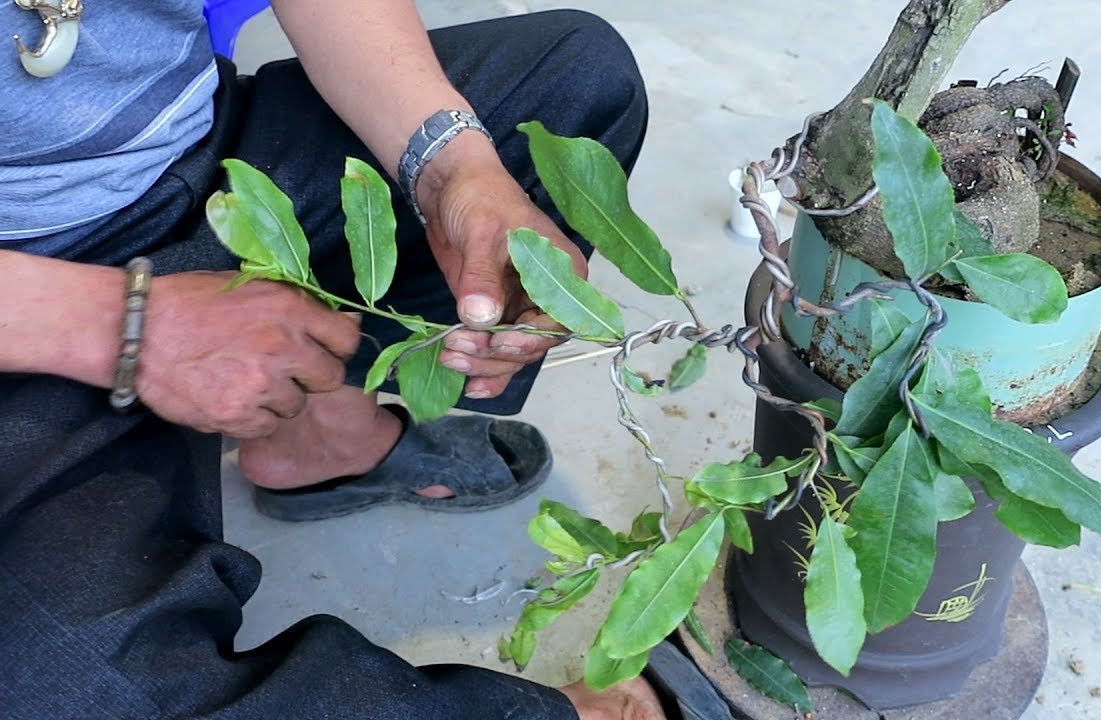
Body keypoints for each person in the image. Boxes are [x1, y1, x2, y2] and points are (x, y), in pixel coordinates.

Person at [0, 1, 665, 718]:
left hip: (187, 162)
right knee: (66, 689)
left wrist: (450, 167)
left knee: (576, 76)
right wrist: (118, 326)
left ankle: (319, 433)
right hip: (32, 307)